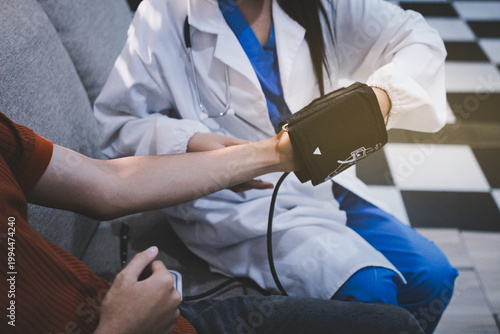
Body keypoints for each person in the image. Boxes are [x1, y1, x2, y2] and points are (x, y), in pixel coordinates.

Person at [94, 0, 458, 332]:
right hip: (237, 203)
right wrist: (192, 143)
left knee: (432, 277)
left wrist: (378, 99)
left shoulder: (325, 6)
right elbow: (120, 124)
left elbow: (419, 39)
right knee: (372, 289)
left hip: (321, 182)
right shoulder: (167, 14)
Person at [0, 111, 425, 333]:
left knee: (397, 325)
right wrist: (121, 328)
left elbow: (108, 183)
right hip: (127, 324)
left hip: (175, 323)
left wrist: (280, 153)